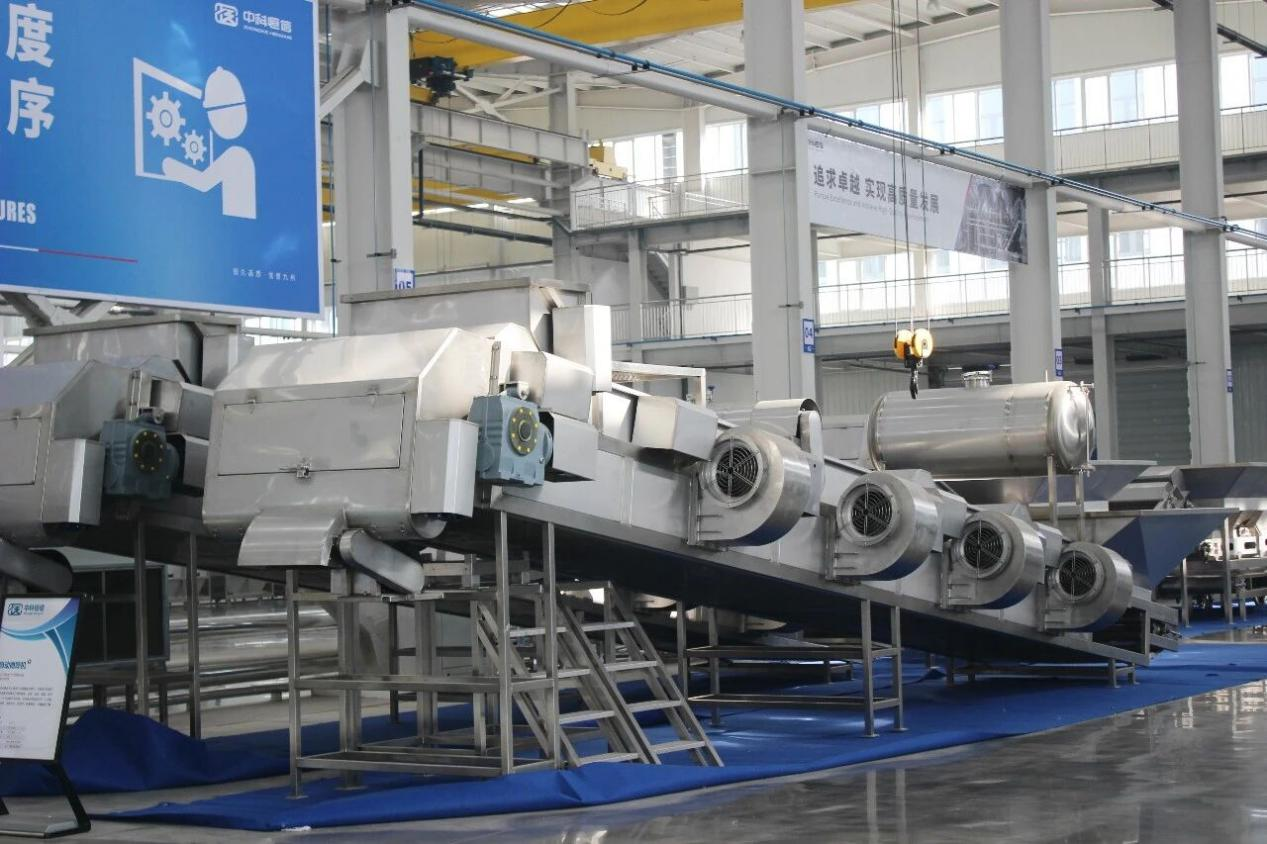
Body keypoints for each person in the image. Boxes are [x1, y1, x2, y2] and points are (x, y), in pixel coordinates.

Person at [162, 67, 256, 220]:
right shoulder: (240, 154)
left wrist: (170, 166)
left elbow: (203, 182)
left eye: (214, 113)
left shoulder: (236, 155)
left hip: (235, 224)